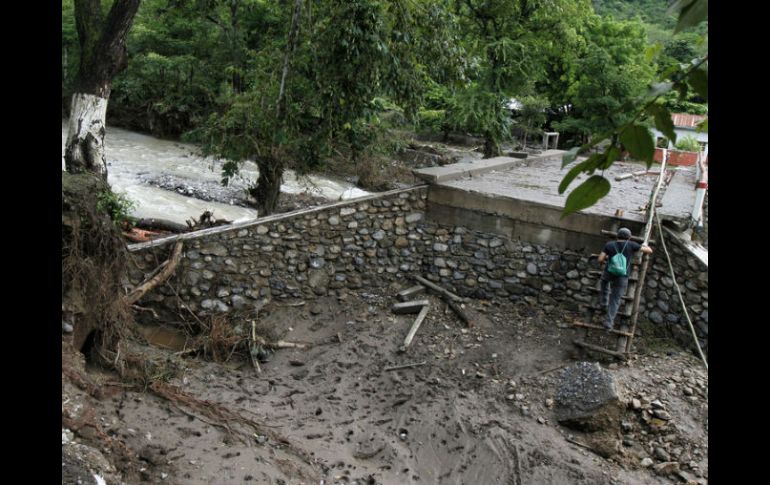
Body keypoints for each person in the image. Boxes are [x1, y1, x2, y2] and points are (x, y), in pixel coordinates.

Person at [597, 228, 653, 330]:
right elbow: (649, 251)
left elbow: (600, 258)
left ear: (617, 236)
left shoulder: (609, 244)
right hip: (622, 276)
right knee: (615, 299)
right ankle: (608, 323)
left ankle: (604, 303)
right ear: (629, 237)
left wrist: (603, 263)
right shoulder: (631, 244)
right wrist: (644, 245)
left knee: (604, 283)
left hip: (609, 272)